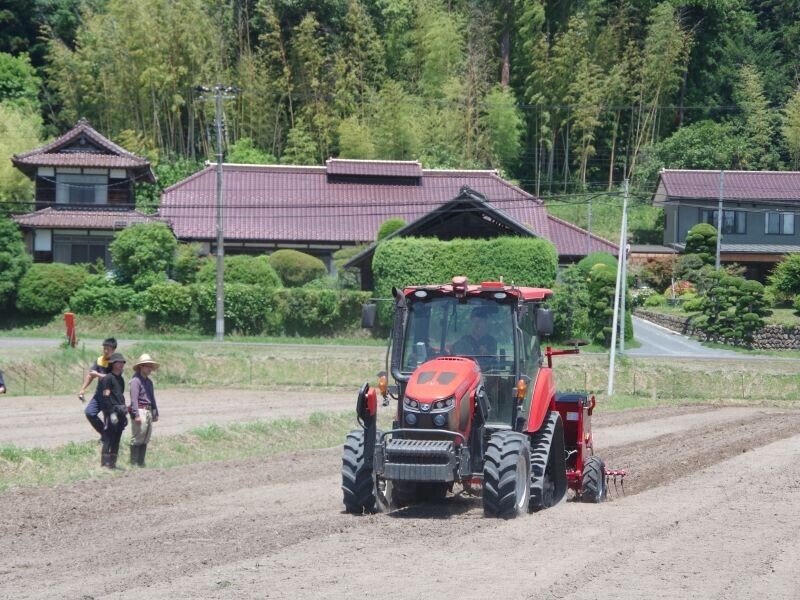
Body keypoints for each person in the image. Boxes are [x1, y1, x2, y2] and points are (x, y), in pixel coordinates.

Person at [78, 338, 117, 440]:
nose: (105, 351)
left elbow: (112, 378)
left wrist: (97, 374)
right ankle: (105, 434)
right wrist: (83, 389)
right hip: (99, 394)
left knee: (108, 418)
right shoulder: (99, 360)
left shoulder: (117, 363)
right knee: (89, 412)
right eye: (104, 348)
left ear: (113, 350)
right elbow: (91, 375)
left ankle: (109, 440)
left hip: (111, 396)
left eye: (108, 349)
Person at [128, 353, 160, 467]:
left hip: (148, 411)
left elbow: (152, 398)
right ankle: (133, 462)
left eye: (151, 366)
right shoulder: (135, 381)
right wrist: (136, 414)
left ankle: (141, 462)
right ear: (141, 366)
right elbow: (134, 399)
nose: (150, 368)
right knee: (138, 436)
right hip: (140, 410)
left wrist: (155, 412)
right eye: (147, 366)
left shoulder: (149, 382)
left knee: (146, 437)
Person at [97, 353, 128, 469]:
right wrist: (111, 413)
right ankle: (105, 464)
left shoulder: (121, 380)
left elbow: (120, 396)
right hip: (112, 412)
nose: (121, 364)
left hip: (120, 411)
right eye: (118, 362)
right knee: (109, 437)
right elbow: (106, 397)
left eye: (122, 362)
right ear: (113, 364)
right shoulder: (108, 378)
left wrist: (124, 413)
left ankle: (113, 463)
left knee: (117, 437)